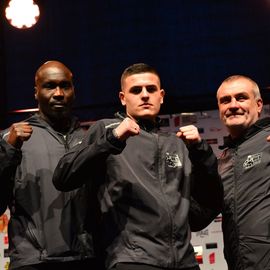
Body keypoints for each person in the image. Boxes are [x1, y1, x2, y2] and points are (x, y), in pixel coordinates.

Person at [52, 63, 223, 270]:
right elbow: (63, 176)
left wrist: (201, 150)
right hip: (132, 259)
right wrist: (112, 139)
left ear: (161, 96)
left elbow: (205, 207)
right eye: (136, 90)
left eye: (151, 89)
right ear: (123, 98)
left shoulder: (177, 143)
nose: (144, 95)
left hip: (184, 260)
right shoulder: (106, 130)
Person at [0, 60, 101, 270]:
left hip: (86, 258)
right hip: (34, 260)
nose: (58, 93)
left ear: (73, 90)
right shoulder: (10, 141)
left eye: (65, 86)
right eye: (49, 86)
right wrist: (9, 151)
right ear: (36, 92)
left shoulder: (89, 140)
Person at [216, 75, 270, 270]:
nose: (233, 105)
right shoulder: (223, 160)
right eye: (225, 100)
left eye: (241, 98)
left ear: (258, 105)